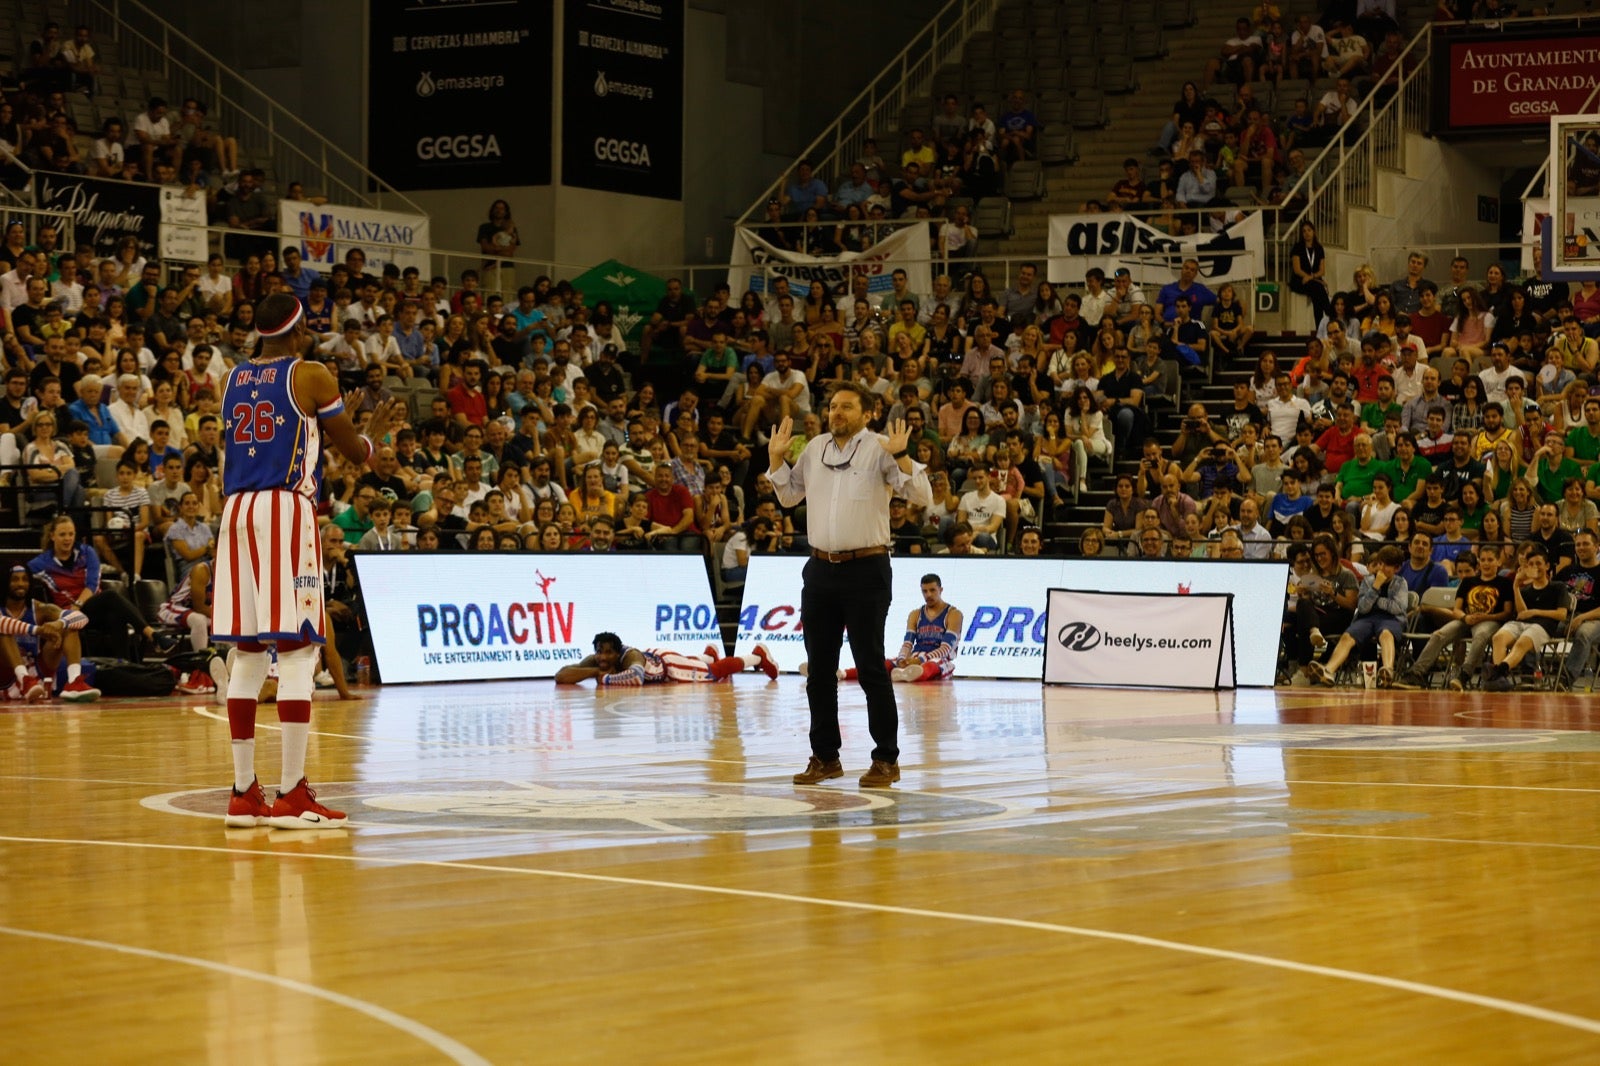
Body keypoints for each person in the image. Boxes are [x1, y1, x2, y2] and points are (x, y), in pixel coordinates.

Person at [214, 293, 398, 831]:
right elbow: (355, 453)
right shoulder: (312, 373)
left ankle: (244, 793)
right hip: (284, 510)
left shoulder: (233, 378)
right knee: (298, 654)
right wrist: (374, 433)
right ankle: (293, 793)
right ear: (299, 331)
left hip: (237, 511)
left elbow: (293, 434)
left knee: (248, 656)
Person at [767, 381, 931, 789]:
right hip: (820, 569)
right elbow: (789, 498)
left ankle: (886, 759)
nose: (836, 413)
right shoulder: (815, 447)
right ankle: (824, 757)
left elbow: (923, 494)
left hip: (867, 568)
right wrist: (776, 463)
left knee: (871, 667)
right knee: (819, 671)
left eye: (846, 407)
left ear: (867, 412)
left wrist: (903, 455)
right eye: (833, 406)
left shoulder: (880, 446)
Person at [807, 573, 962, 684]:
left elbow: (946, 648)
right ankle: (842, 674)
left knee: (931, 666)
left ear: (941, 590)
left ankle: (907, 674)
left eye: (932, 590)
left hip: (938, 658)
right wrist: (902, 659)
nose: (928, 594)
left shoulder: (953, 614)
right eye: (925, 591)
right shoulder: (915, 614)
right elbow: (907, 643)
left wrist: (919, 660)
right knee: (883, 665)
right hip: (915, 656)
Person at [1307, 545, 1409, 687]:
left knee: (1386, 634)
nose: (1381, 568)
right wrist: (1375, 588)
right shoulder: (1368, 581)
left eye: (1386, 565)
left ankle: (1388, 670)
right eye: (1380, 563)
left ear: (1396, 569)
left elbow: (1398, 608)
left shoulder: (1401, 583)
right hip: (1367, 618)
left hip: (1390, 619)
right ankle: (1328, 670)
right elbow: (1362, 607)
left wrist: (1376, 601)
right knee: (1347, 636)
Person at [0, 564, 98, 702]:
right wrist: (38, 630)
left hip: (36, 674)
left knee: (69, 624)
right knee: (4, 630)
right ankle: (24, 680)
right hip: (5, 674)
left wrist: (59, 624)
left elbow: (81, 618)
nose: (20, 583)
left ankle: (74, 682)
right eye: (15, 579)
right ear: (5, 582)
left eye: (25, 579)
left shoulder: (41, 608)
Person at [1483, 545, 1568, 692]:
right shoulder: (1525, 590)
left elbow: (1562, 614)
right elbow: (1522, 614)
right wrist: (1516, 587)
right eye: (1531, 564)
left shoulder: (1558, 587)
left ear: (1547, 566)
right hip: (1521, 623)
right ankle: (1500, 680)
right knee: (1498, 638)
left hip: (1543, 626)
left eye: (1538, 563)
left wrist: (1536, 612)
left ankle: (1497, 672)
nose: (1535, 567)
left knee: (1522, 642)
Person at [554, 631, 778, 684]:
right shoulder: (598, 661)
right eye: (599, 652)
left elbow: (636, 677)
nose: (603, 657)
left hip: (669, 666)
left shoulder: (630, 655)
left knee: (714, 673)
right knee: (703, 665)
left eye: (608, 652)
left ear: (618, 651)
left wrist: (601, 678)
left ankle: (756, 657)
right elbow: (561, 675)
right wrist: (593, 670)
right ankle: (708, 655)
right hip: (659, 658)